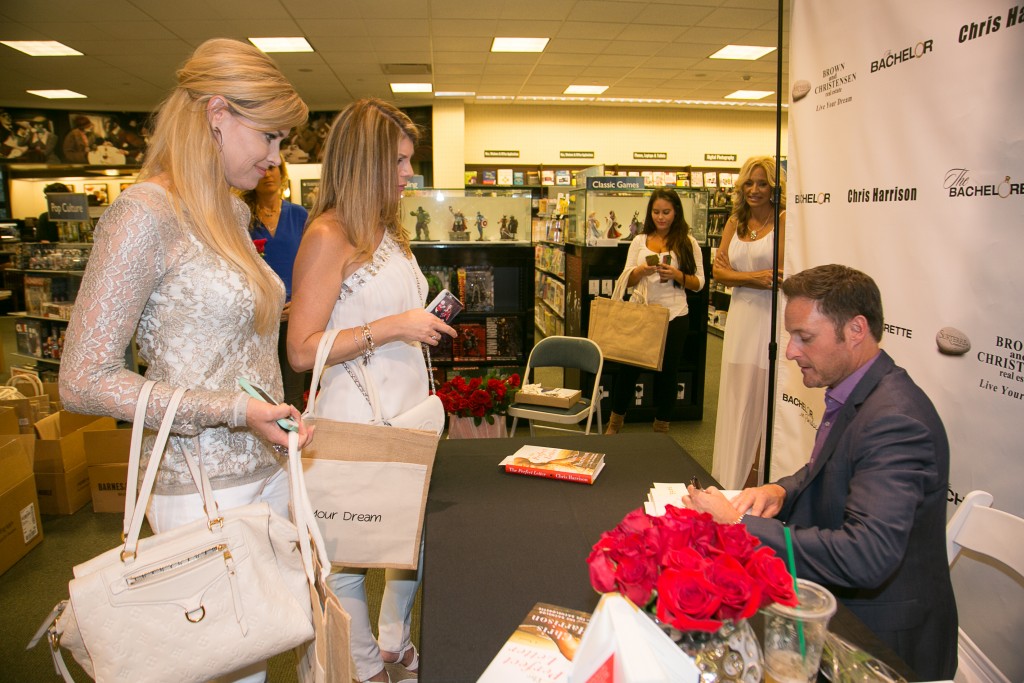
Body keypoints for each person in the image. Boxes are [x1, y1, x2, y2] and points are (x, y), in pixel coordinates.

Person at [58, 38, 312, 683]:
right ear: (217, 112)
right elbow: (82, 380)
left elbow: (234, 341)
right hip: (198, 483)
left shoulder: (226, 209)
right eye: (270, 137)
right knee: (214, 662)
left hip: (264, 467)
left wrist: (271, 417)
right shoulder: (144, 213)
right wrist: (232, 409)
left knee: (254, 654)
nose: (275, 158)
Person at [687, 264, 957, 680]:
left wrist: (740, 523)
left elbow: (865, 555)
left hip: (880, 645)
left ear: (855, 330)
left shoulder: (896, 422)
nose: (791, 351)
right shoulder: (861, 390)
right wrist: (781, 490)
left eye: (804, 338)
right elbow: (827, 469)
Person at [287, 98, 456, 683]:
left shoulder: (390, 233)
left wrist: (418, 321)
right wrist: (394, 327)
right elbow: (301, 348)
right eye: (401, 161)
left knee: (405, 538)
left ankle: (391, 642)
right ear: (365, 162)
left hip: (405, 415)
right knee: (349, 557)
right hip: (355, 421)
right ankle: (363, 670)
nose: (410, 173)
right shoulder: (329, 235)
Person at [711, 155, 786, 489]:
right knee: (736, 391)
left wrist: (738, 276)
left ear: (774, 186)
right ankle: (729, 475)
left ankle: (754, 476)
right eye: (749, 183)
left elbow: (781, 277)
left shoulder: (783, 220)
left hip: (770, 318)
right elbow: (717, 272)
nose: (755, 189)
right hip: (741, 317)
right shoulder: (734, 222)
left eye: (762, 183)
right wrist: (756, 278)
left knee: (762, 395)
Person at [604, 188, 704, 434]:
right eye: (656, 212)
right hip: (642, 315)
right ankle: (614, 424)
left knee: (668, 373)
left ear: (676, 212)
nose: (661, 217)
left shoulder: (688, 242)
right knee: (628, 370)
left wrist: (677, 275)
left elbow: (700, 283)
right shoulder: (639, 240)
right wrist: (641, 271)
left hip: (674, 315)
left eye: (666, 212)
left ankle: (661, 428)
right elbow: (625, 279)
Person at [240, 160, 311, 408]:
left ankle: (294, 445)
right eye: (261, 168)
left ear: (282, 173)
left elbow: (313, 266)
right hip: (257, 316)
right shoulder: (241, 217)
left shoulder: (299, 215)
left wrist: (302, 303)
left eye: (273, 168)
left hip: (295, 315)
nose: (268, 174)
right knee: (261, 391)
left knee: (293, 394)